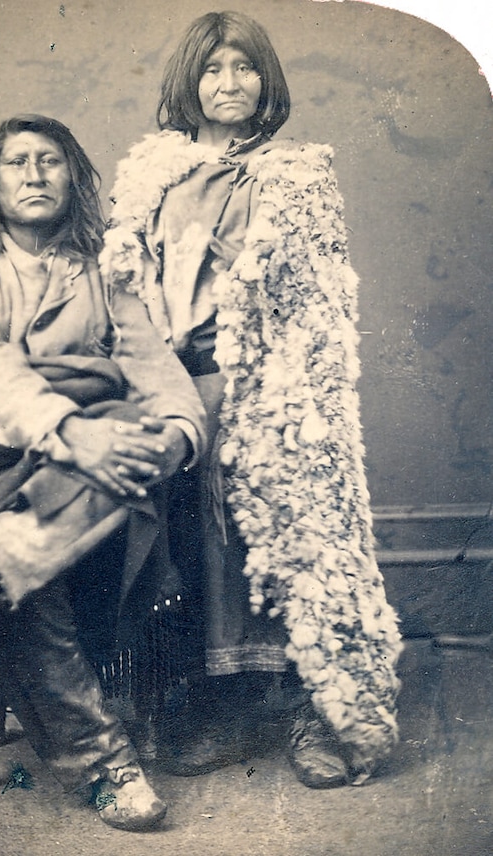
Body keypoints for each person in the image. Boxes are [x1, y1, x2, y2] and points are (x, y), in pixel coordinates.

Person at [101, 10, 403, 788]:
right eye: (212, 69)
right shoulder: (153, 177)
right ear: (190, 83)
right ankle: (222, 707)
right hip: (173, 386)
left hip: (271, 393)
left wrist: (282, 390)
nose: (228, 84)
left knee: (287, 543)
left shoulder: (298, 177)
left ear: (267, 82)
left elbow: (319, 304)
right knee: (197, 549)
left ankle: (312, 708)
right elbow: (126, 290)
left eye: (244, 68)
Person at [0, 113, 207, 830]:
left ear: (74, 177)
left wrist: (179, 434)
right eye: (17, 162)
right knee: (31, 582)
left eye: (50, 161)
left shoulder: (104, 267)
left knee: (134, 439)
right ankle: (105, 763)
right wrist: (69, 431)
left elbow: (152, 362)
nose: (34, 175)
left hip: (97, 459)